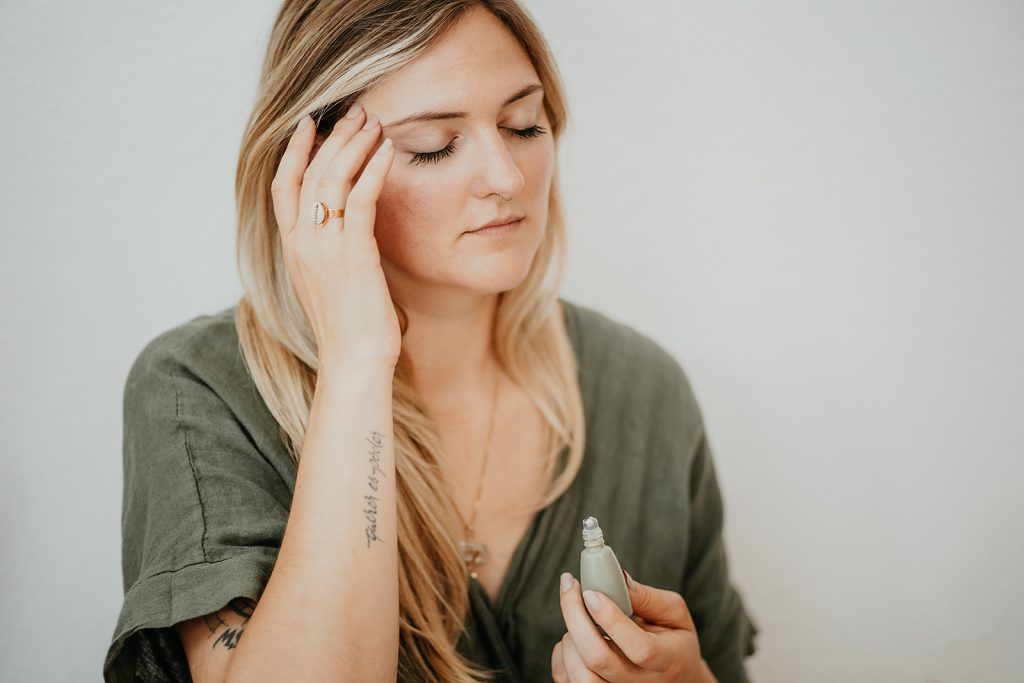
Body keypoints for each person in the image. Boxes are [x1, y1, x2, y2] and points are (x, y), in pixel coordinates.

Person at [102, 1, 759, 681]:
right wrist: (357, 365)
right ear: (319, 172)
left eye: (523, 124)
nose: (506, 178)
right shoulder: (198, 390)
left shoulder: (646, 389)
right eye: (433, 146)